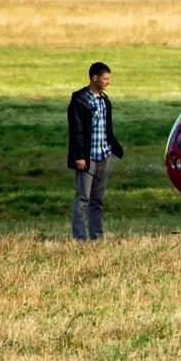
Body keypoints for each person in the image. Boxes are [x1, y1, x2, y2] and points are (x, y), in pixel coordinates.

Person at [68, 61, 124, 241]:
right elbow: (76, 131)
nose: (108, 82)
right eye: (105, 78)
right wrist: (79, 156)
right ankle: (79, 237)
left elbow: (107, 128)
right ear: (95, 78)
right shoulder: (80, 101)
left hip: (103, 154)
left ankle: (97, 236)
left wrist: (113, 147)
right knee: (83, 198)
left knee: (97, 199)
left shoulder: (105, 101)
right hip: (87, 157)